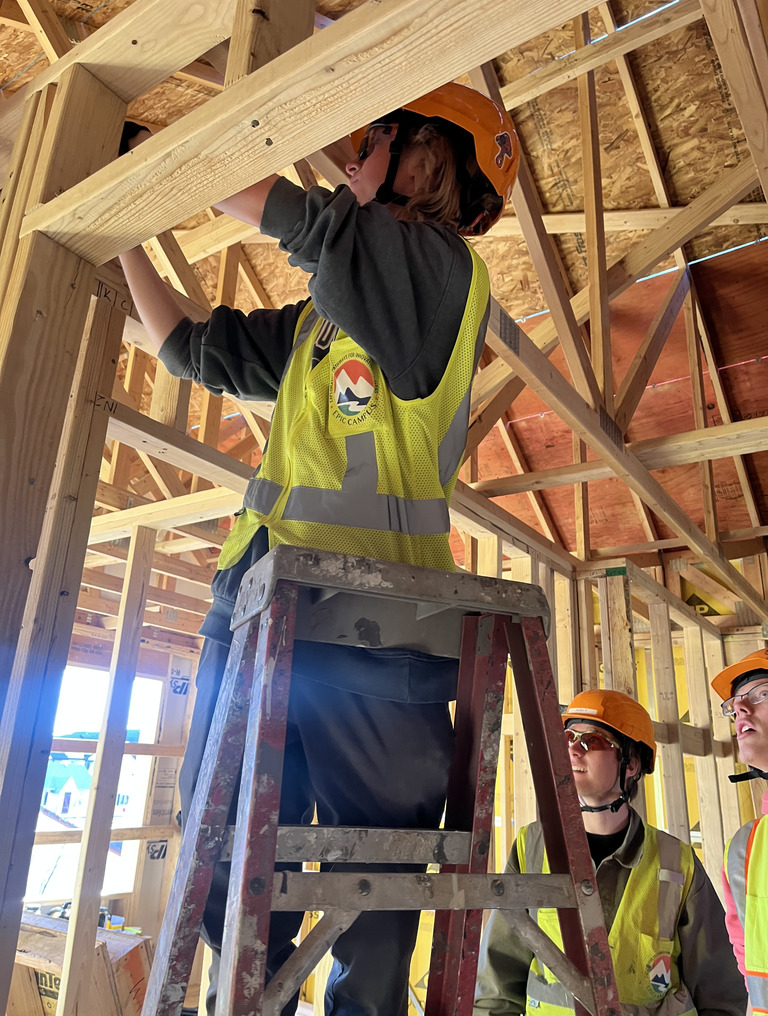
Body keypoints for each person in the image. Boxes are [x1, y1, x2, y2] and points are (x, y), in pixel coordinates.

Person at [119, 84, 519, 1016]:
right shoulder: (320, 323)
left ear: (430, 155)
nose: (350, 157)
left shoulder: (448, 283)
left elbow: (317, 228)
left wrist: (164, 158)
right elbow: (191, 350)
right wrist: (126, 233)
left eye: (372, 138)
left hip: (375, 642)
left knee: (370, 905)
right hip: (261, 617)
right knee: (223, 870)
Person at [473, 689, 746, 1015]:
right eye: (569, 736)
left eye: (592, 741)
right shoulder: (532, 847)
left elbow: (720, 995)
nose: (573, 748)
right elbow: (497, 986)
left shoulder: (677, 863)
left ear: (631, 763)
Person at [712, 648, 768, 1013]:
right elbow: (753, 980)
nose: (741, 711)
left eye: (762, 693)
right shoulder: (744, 849)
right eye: (734, 705)